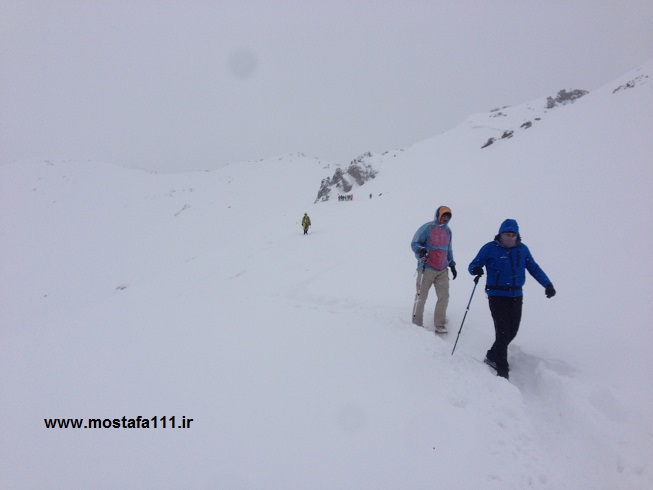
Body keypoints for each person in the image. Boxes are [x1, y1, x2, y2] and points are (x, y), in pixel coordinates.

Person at [468, 219, 556, 379]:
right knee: (502, 332)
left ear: (517, 235)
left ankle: (492, 355)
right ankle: (503, 372)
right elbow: (473, 264)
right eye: (506, 234)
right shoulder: (490, 248)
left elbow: (534, 268)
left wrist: (547, 284)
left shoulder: (522, 250)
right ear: (500, 234)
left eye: (512, 234)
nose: (509, 237)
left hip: (516, 295)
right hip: (496, 295)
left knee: (512, 331)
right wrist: (476, 269)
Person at [410, 205, 457, 333]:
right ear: (438, 215)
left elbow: (448, 249)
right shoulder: (428, 228)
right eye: (443, 216)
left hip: (442, 269)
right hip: (427, 267)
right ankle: (416, 323)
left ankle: (439, 325)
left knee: (444, 296)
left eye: (448, 217)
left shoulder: (448, 231)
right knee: (421, 295)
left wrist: (452, 264)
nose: (445, 219)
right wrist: (421, 250)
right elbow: (414, 243)